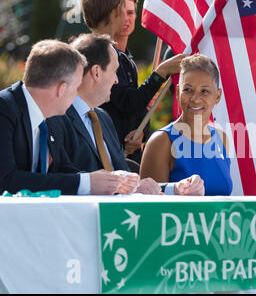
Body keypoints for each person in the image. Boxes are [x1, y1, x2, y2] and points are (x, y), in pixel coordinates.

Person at [46, 34, 204, 196]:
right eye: (115, 71)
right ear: (96, 73)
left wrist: (175, 189)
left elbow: (126, 183)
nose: (116, 80)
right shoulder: (54, 119)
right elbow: (57, 182)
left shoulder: (103, 119)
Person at [0, 39, 132, 195]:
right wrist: (86, 183)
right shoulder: (4, 109)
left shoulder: (50, 119)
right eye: (76, 87)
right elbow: (6, 180)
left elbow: (60, 168)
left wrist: (106, 180)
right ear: (62, 88)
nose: (77, 94)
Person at [81, 0, 187, 164]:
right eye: (121, 13)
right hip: (103, 157)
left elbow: (139, 112)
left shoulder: (127, 59)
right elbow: (130, 101)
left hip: (126, 157)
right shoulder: (95, 56)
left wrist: (140, 134)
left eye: (131, 13)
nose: (126, 19)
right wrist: (160, 73)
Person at [140, 54, 233, 196]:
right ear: (178, 93)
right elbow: (151, 209)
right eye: (188, 90)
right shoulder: (161, 142)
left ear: (217, 96)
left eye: (205, 91)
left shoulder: (222, 139)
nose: (195, 99)